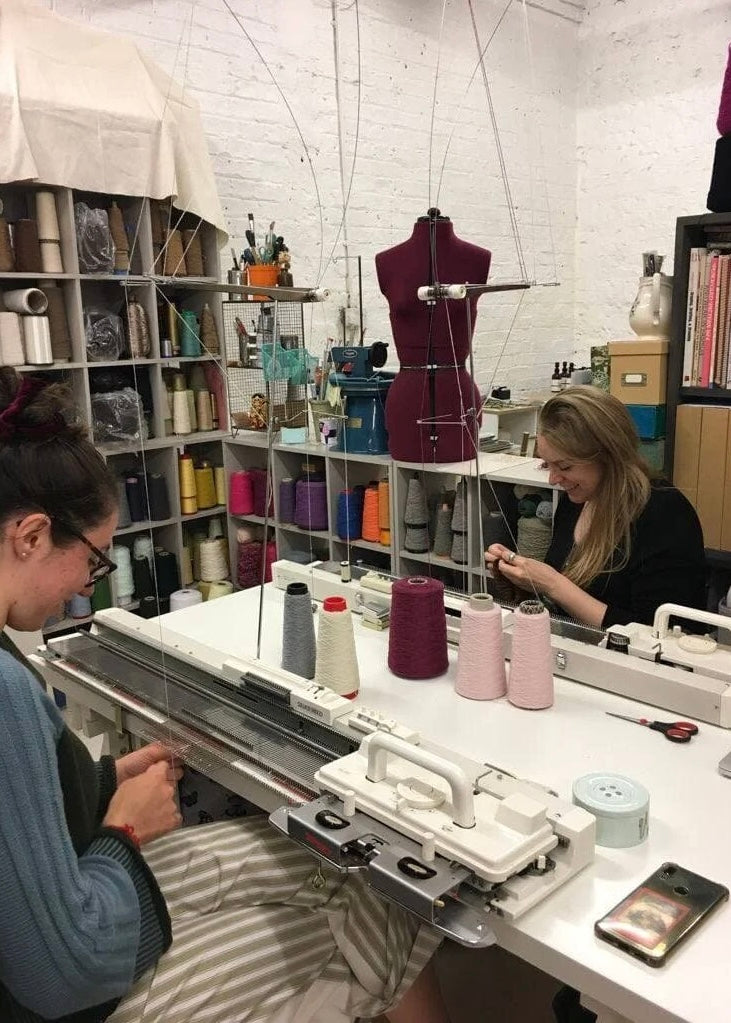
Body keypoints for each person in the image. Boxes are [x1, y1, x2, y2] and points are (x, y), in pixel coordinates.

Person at [0, 370, 448, 1023]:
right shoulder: (6, 688)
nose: (82, 589)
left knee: (335, 867)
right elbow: (62, 973)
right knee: (357, 927)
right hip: (62, 997)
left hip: (59, 913)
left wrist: (102, 780)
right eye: (94, 562)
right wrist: (126, 826)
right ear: (32, 535)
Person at [485, 386, 706, 629]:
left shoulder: (665, 515)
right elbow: (569, 604)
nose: (553, 480)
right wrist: (523, 581)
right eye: (548, 466)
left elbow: (655, 635)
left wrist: (553, 584)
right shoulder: (577, 501)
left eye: (565, 467)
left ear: (609, 455)